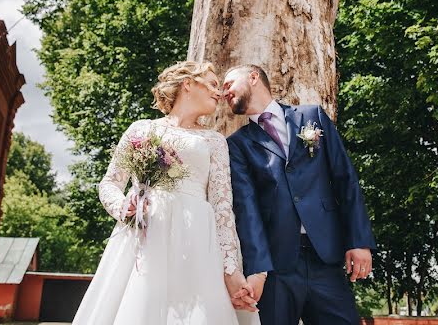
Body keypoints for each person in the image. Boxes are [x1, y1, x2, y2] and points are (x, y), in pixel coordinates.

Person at [72, 61, 260, 325]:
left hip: (197, 243)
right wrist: (122, 206)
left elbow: (222, 207)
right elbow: (109, 183)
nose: (219, 93)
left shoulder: (214, 141)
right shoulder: (142, 129)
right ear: (188, 84)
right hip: (145, 239)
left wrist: (230, 268)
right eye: (213, 84)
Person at [223, 64, 376, 325]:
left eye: (229, 83)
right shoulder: (237, 144)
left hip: (325, 257)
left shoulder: (312, 116)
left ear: (253, 77)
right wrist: (258, 270)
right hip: (276, 266)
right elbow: (247, 210)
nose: (224, 91)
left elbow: (345, 179)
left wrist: (359, 241)